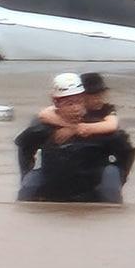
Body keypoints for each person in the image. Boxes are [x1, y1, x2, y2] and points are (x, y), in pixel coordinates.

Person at [15, 73, 124, 204]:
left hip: (92, 185)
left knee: (110, 178)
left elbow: (126, 152)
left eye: (79, 101)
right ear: (56, 102)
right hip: (53, 183)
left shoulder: (101, 125)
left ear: (84, 99)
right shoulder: (43, 126)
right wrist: (26, 174)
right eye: (69, 103)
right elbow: (24, 147)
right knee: (29, 185)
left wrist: (119, 178)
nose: (75, 108)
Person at [36, 71, 135, 183]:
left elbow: (112, 125)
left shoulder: (105, 111)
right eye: (93, 96)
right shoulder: (62, 112)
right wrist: (70, 125)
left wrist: (75, 129)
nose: (97, 99)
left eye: (100, 95)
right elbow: (44, 114)